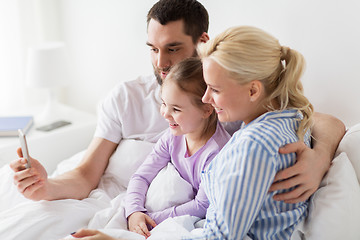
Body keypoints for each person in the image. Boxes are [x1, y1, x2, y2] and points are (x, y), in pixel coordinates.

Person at [10, 0, 343, 211]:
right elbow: (86, 174)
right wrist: (47, 186)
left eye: (172, 49)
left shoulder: (224, 98)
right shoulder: (125, 97)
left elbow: (323, 120)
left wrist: (319, 158)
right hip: (125, 202)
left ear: (202, 43)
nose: (161, 63)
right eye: (153, 49)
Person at [188, 25, 316, 239]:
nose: (206, 98)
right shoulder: (293, 117)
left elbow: (220, 237)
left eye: (215, 89)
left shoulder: (255, 145)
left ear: (253, 90)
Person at [125, 57, 230, 237]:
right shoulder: (172, 138)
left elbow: (202, 205)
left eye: (176, 109)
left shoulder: (218, 153)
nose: (165, 114)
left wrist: (151, 218)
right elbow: (142, 176)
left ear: (207, 109)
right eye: (164, 103)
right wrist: (134, 211)